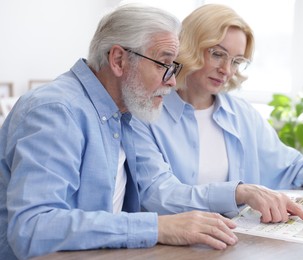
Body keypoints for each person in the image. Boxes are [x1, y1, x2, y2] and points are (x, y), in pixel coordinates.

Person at [0, 4, 239, 259]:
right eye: (164, 64)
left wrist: (237, 193)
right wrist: (156, 227)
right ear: (118, 60)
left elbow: (159, 189)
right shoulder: (57, 111)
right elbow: (33, 228)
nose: (171, 81)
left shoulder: (126, 114)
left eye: (174, 68)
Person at [132, 4, 303, 223]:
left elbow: (289, 164)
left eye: (236, 61)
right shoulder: (146, 114)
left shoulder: (240, 113)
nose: (226, 70)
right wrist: (238, 193)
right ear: (190, 47)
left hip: (234, 239)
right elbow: (158, 195)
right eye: (217, 54)